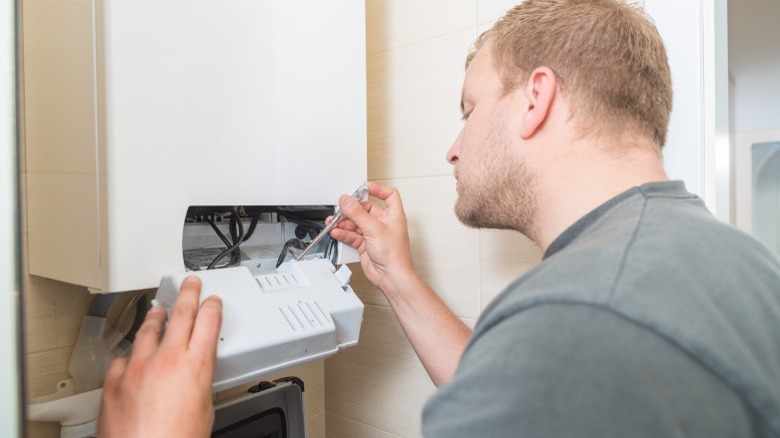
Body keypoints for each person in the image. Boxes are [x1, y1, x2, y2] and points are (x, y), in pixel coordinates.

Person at [99, 0, 780, 436]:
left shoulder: (578, 319)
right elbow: (507, 382)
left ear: (535, 99)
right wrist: (396, 278)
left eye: (468, 107)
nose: (453, 147)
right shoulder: (730, 259)